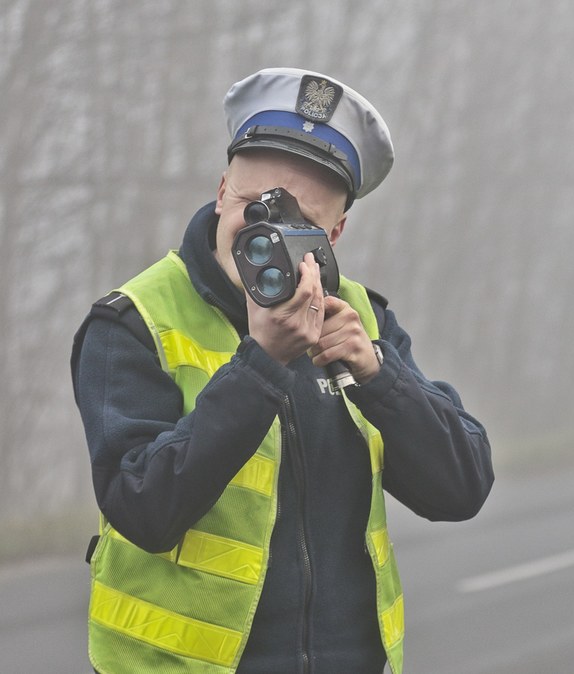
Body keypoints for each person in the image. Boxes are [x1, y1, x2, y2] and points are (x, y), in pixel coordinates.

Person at [71, 67, 494, 674]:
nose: (263, 232)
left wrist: (379, 376)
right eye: (251, 205)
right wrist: (261, 365)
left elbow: (461, 489)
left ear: (336, 233)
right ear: (221, 192)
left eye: (298, 222)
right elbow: (141, 511)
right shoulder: (135, 320)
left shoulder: (363, 318)